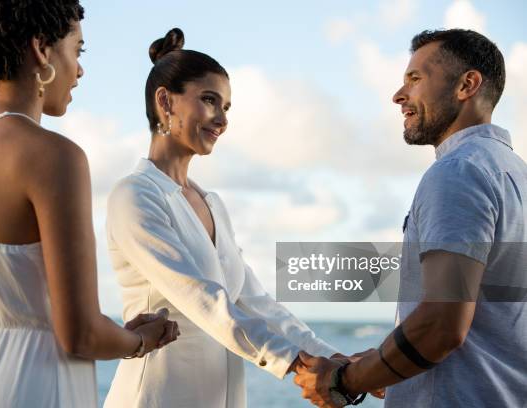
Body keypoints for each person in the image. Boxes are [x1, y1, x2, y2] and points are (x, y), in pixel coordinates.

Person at [0, 2, 177, 407]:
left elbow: (5, 304)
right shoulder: (54, 156)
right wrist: (138, 341)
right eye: (77, 51)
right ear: (42, 50)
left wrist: (113, 330)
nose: (80, 70)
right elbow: (79, 334)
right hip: (33, 387)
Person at [103, 28, 340, 408]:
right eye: (209, 101)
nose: (221, 120)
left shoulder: (211, 202)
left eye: (226, 108)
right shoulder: (134, 195)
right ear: (165, 102)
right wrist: (298, 364)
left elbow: (255, 301)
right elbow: (205, 301)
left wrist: (330, 358)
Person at [294, 29, 527, 407]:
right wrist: (382, 364)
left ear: (467, 84)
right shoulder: (515, 173)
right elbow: (492, 323)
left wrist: (343, 380)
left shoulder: (458, 172)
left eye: (415, 79)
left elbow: (441, 325)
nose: (398, 96)